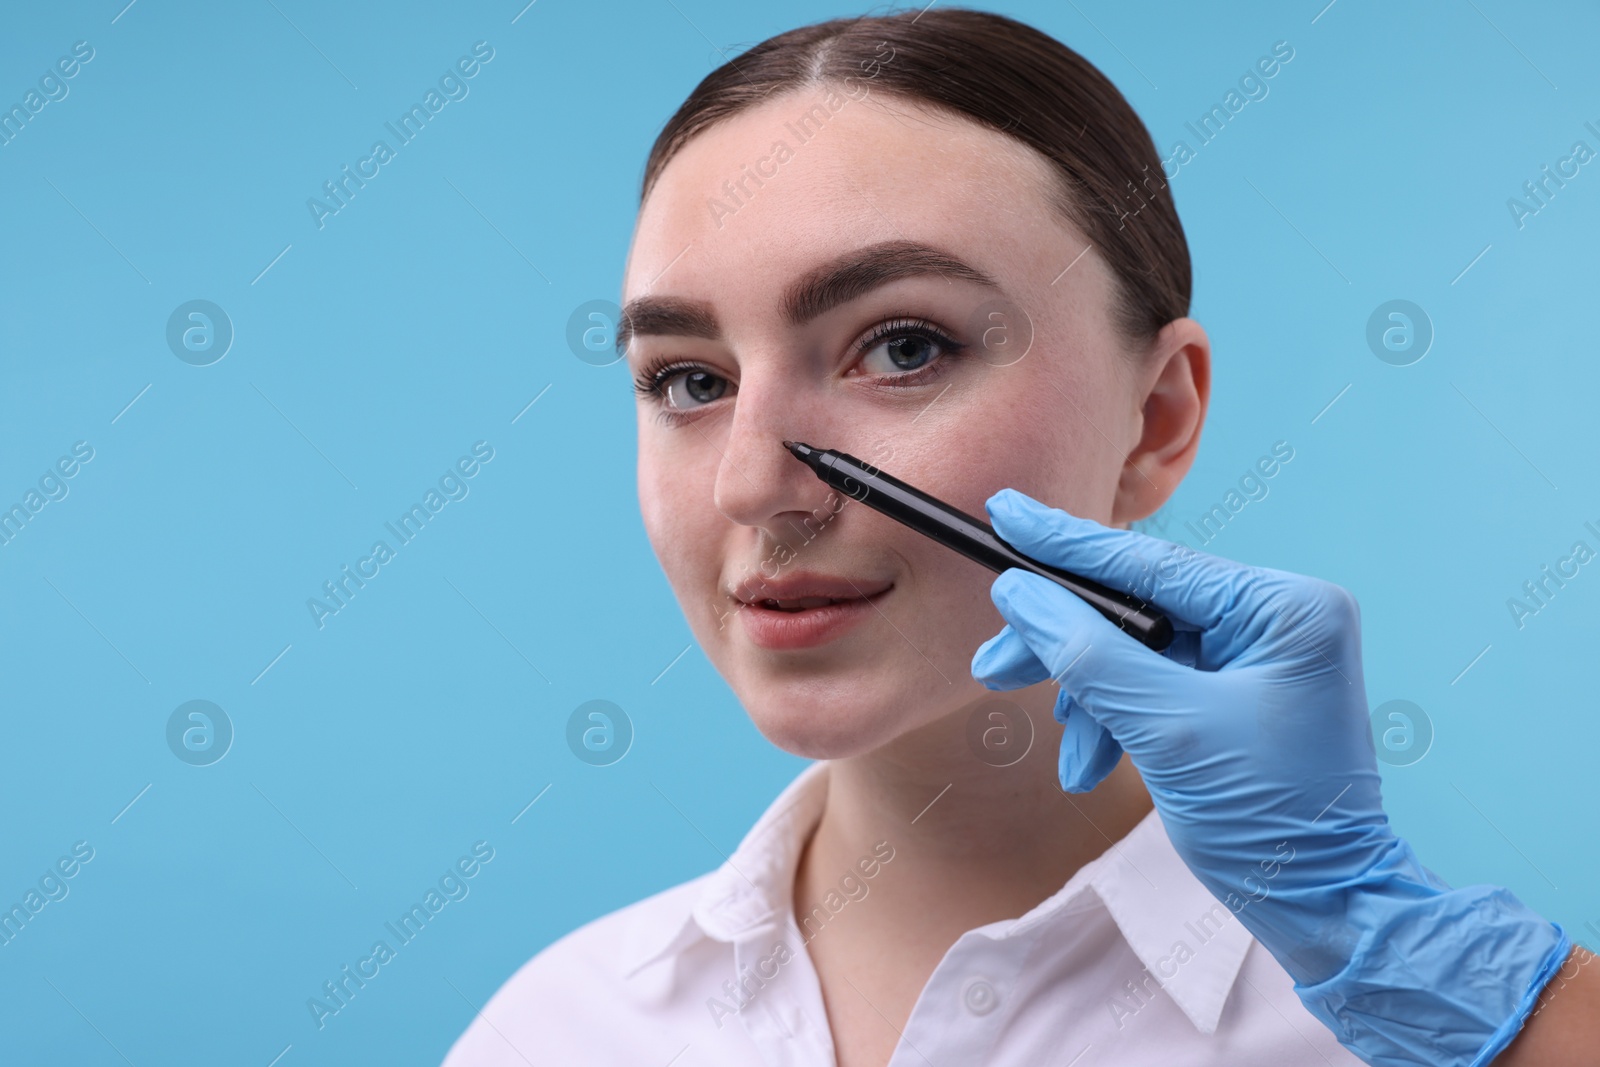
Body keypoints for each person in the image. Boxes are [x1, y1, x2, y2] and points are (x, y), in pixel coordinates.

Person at [442, 8, 1598, 1065]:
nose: (754, 485)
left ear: (1154, 420)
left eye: (902, 347)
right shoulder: (555, 1028)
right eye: (689, 378)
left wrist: (1388, 947)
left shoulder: (1409, 1021)